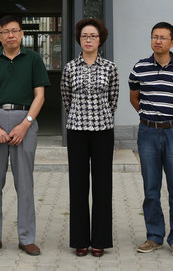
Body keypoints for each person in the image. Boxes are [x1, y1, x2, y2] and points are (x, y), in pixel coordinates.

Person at [0, 15, 50, 257]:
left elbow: (39, 96)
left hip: (24, 121)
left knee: (25, 184)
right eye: (5, 31)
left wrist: (25, 124)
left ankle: (27, 238)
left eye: (15, 30)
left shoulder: (34, 59)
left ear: (22, 34)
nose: (11, 35)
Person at [129, 21, 173, 258]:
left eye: (163, 37)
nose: (157, 41)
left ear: (172, 42)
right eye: (154, 36)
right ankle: (154, 236)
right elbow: (134, 97)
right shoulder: (140, 67)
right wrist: (150, 117)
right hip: (148, 133)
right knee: (151, 188)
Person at [60, 18, 119, 257]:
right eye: (84, 36)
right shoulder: (70, 68)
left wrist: (99, 116)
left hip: (103, 130)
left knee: (103, 185)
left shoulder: (110, 68)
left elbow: (113, 99)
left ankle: (100, 240)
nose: (88, 40)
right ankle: (80, 240)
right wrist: (80, 116)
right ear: (79, 39)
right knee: (78, 185)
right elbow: (66, 97)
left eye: (93, 36)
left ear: (100, 39)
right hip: (76, 130)